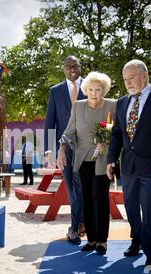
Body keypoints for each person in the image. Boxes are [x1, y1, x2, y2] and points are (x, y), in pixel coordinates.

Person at [106, 60, 151, 268]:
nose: (127, 83)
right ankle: (136, 239)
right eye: (125, 79)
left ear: (144, 76)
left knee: (150, 209)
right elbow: (117, 134)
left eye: (131, 78)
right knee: (130, 206)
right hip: (129, 166)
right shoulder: (121, 102)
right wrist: (111, 159)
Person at [58, 72, 117, 254]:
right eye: (90, 89)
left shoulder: (112, 105)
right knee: (87, 199)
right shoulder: (78, 106)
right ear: (86, 90)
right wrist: (61, 150)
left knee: (100, 198)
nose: (94, 93)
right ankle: (91, 239)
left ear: (104, 90)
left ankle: (102, 240)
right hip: (83, 160)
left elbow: (117, 130)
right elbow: (69, 131)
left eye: (98, 89)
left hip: (103, 160)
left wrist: (107, 143)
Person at [44, 55, 87, 243]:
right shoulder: (56, 91)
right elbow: (50, 122)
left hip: (87, 147)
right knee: (72, 188)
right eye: (68, 67)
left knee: (85, 188)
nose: (72, 70)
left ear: (80, 67)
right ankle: (77, 224)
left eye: (75, 66)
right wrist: (49, 149)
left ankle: (77, 224)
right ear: (63, 69)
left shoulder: (91, 86)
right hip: (64, 149)